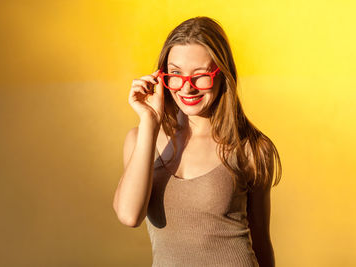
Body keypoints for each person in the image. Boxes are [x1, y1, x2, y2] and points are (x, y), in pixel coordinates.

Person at [113, 16, 282, 267]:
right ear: (161, 78)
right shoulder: (140, 139)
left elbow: (261, 242)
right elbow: (129, 215)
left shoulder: (251, 148)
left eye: (200, 75)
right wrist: (150, 122)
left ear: (222, 74)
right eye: (176, 74)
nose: (187, 88)